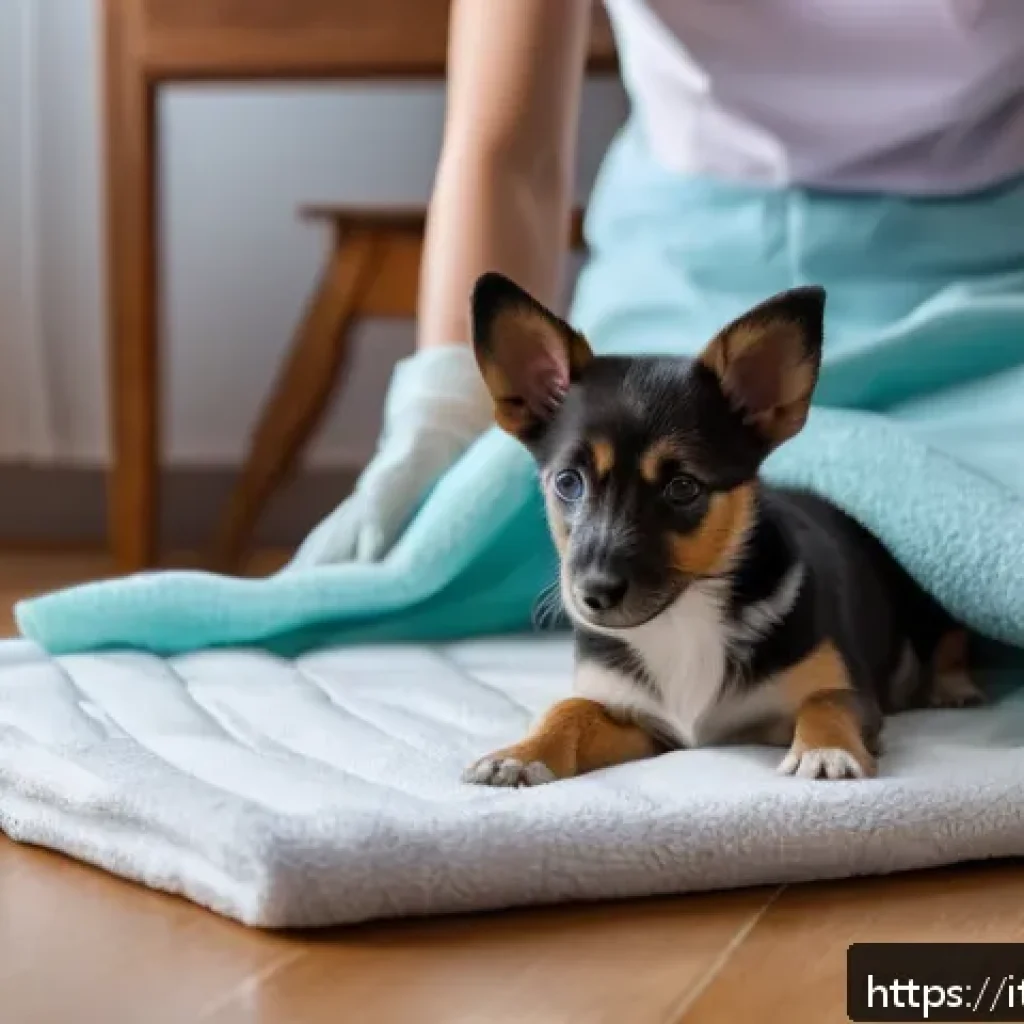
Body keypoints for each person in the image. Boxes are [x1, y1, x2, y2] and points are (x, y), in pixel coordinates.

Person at [303, 0, 1024, 564]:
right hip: (683, 286)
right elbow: (509, 153)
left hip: (996, 284)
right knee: (495, 539)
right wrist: (445, 406)